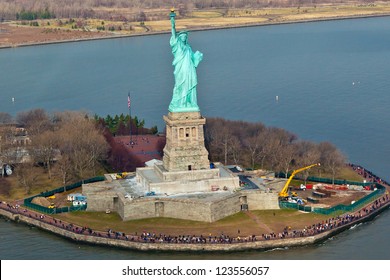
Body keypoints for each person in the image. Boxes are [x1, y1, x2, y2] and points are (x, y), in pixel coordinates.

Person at [169, 10, 203, 112]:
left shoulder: (188, 47)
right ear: (179, 37)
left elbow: (193, 57)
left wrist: (198, 57)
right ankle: (180, 103)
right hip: (180, 69)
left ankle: (188, 102)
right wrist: (172, 20)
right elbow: (173, 32)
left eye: (185, 36)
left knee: (189, 84)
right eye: (182, 36)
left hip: (189, 69)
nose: (184, 37)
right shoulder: (177, 45)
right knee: (180, 85)